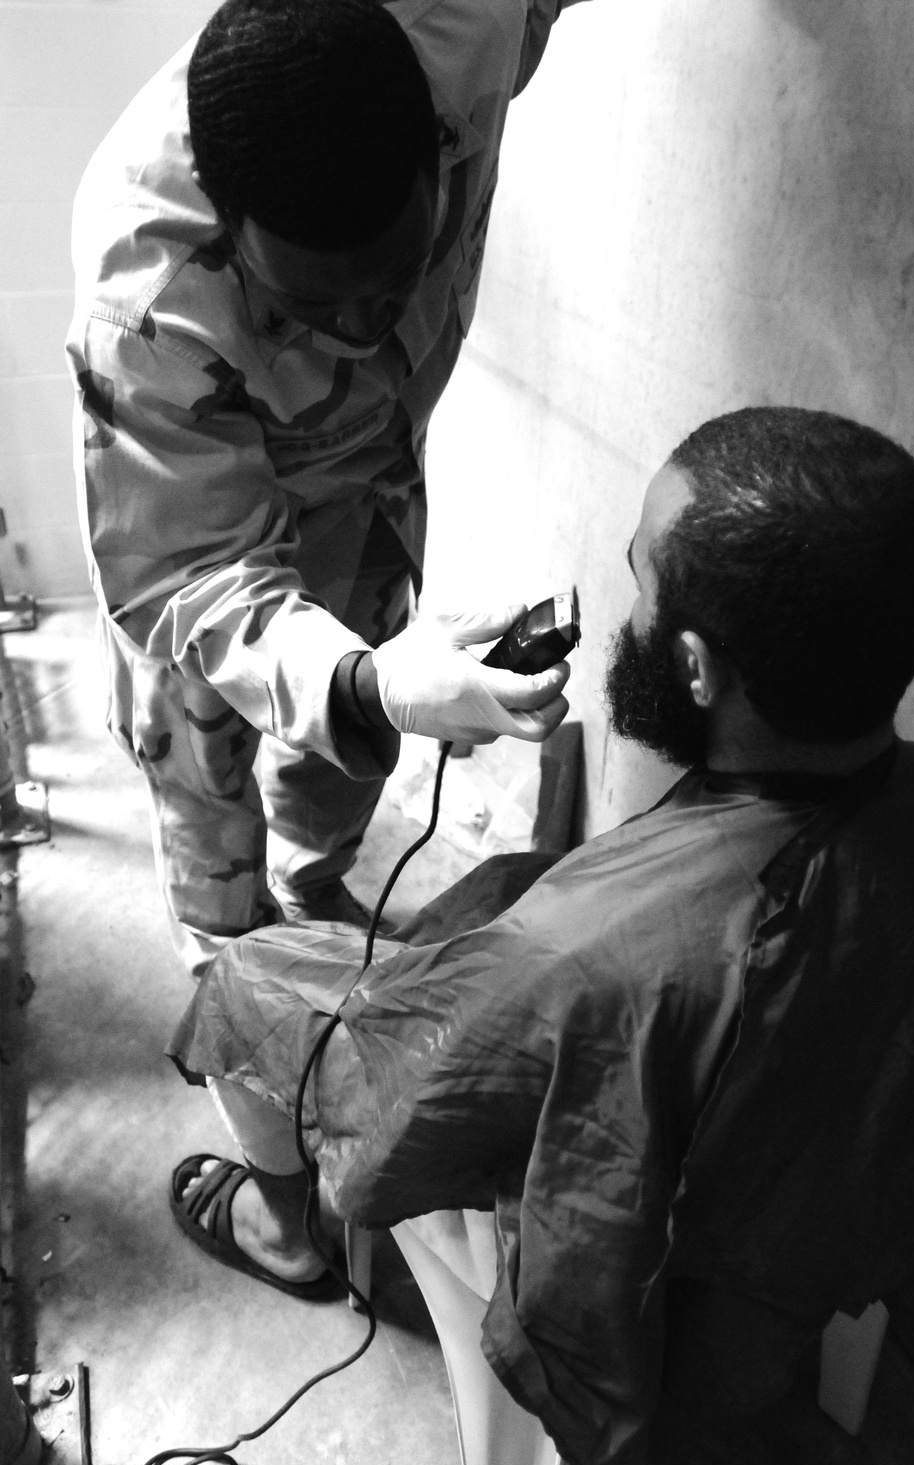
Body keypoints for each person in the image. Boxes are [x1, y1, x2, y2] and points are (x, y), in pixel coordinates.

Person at [167, 407, 914, 1465]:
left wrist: (412, 994)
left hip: (664, 1267)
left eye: (641, 581)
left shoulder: (592, 964)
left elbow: (398, 1098)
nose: (624, 603)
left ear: (695, 667)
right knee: (509, 890)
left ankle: (283, 1226)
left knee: (245, 974)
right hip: (831, 1189)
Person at [66, 0, 581, 978]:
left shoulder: (466, 31)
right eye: (306, 304)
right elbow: (191, 573)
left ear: (439, 149)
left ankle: (313, 881)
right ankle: (236, 963)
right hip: (194, 539)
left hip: (369, 486)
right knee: (199, 768)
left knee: (355, 743)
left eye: (390, 283)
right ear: (231, 229)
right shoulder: (150, 293)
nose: (357, 329)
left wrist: (377, 687)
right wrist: (365, 680)